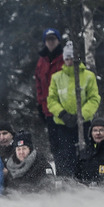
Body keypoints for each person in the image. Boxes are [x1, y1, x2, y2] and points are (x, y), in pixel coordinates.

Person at [47, 40, 101, 177]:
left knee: (86, 153)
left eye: (72, 58)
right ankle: (67, 182)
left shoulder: (88, 76)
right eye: (67, 58)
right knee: (65, 154)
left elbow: (94, 98)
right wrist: (63, 114)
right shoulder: (56, 78)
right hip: (63, 124)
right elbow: (51, 100)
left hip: (83, 123)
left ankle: (87, 179)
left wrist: (81, 116)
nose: (69, 61)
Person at [35, 28, 65, 161]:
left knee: (67, 143)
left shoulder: (65, 58)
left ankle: (71, 174)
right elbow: (39, 84)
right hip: (48, 109)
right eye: (48, 40)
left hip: (64, 109)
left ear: (58, 40)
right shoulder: (42, 61)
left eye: (53, 39)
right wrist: (41, 104)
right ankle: (60, 173)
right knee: (54, 144)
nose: (51, 42)